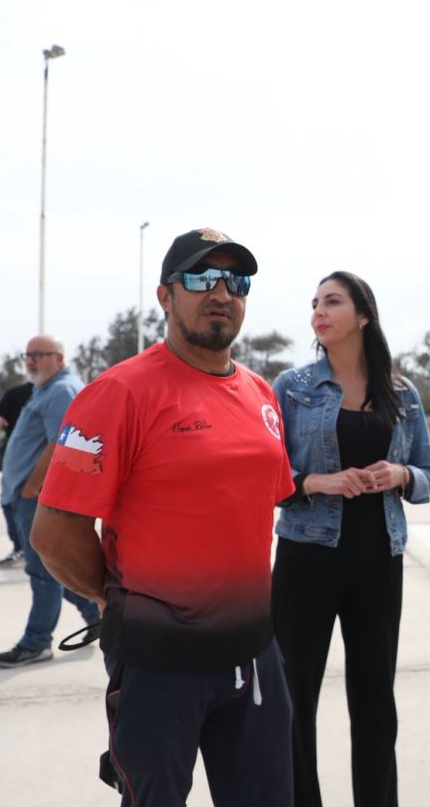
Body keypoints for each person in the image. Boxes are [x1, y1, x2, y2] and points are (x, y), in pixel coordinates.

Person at [31, 228, 296, 806]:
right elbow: (54, 532)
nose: (221, 292)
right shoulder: (119, 392)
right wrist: (110, 595)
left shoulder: (261, 395)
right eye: (201, 278)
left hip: (254, 657)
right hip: (158, 662)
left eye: (236, 281)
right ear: (165, 296)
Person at [272, 270, 430, 807]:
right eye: (315, 303)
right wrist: (316, 482)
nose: (318, 312)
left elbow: (428, 474)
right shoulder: (292, 387)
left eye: (333, 302)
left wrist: (401, 474)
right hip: (306, 561)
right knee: (294, 701)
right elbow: (266, 476)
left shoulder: (402, 393)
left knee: (375, 704)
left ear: (363, 316)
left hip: (379, 563)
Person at [0, 334, 99, 668]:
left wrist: (32, 487)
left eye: (39, 354)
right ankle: (98, 615)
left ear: (60, 358)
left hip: (37, 497)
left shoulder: (62, 390)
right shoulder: (46, 389)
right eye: (28, 355)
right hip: (27, 496)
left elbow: (61, 444)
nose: (31, 361)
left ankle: (36, 643)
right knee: (50, 571)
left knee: (42, 573)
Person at [0, 380, 34, 567]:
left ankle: (20, 546)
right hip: (45, 455)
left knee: (10, 500)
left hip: (17, 456)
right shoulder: (60, 391)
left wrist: (10, 429)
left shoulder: (15, 393)